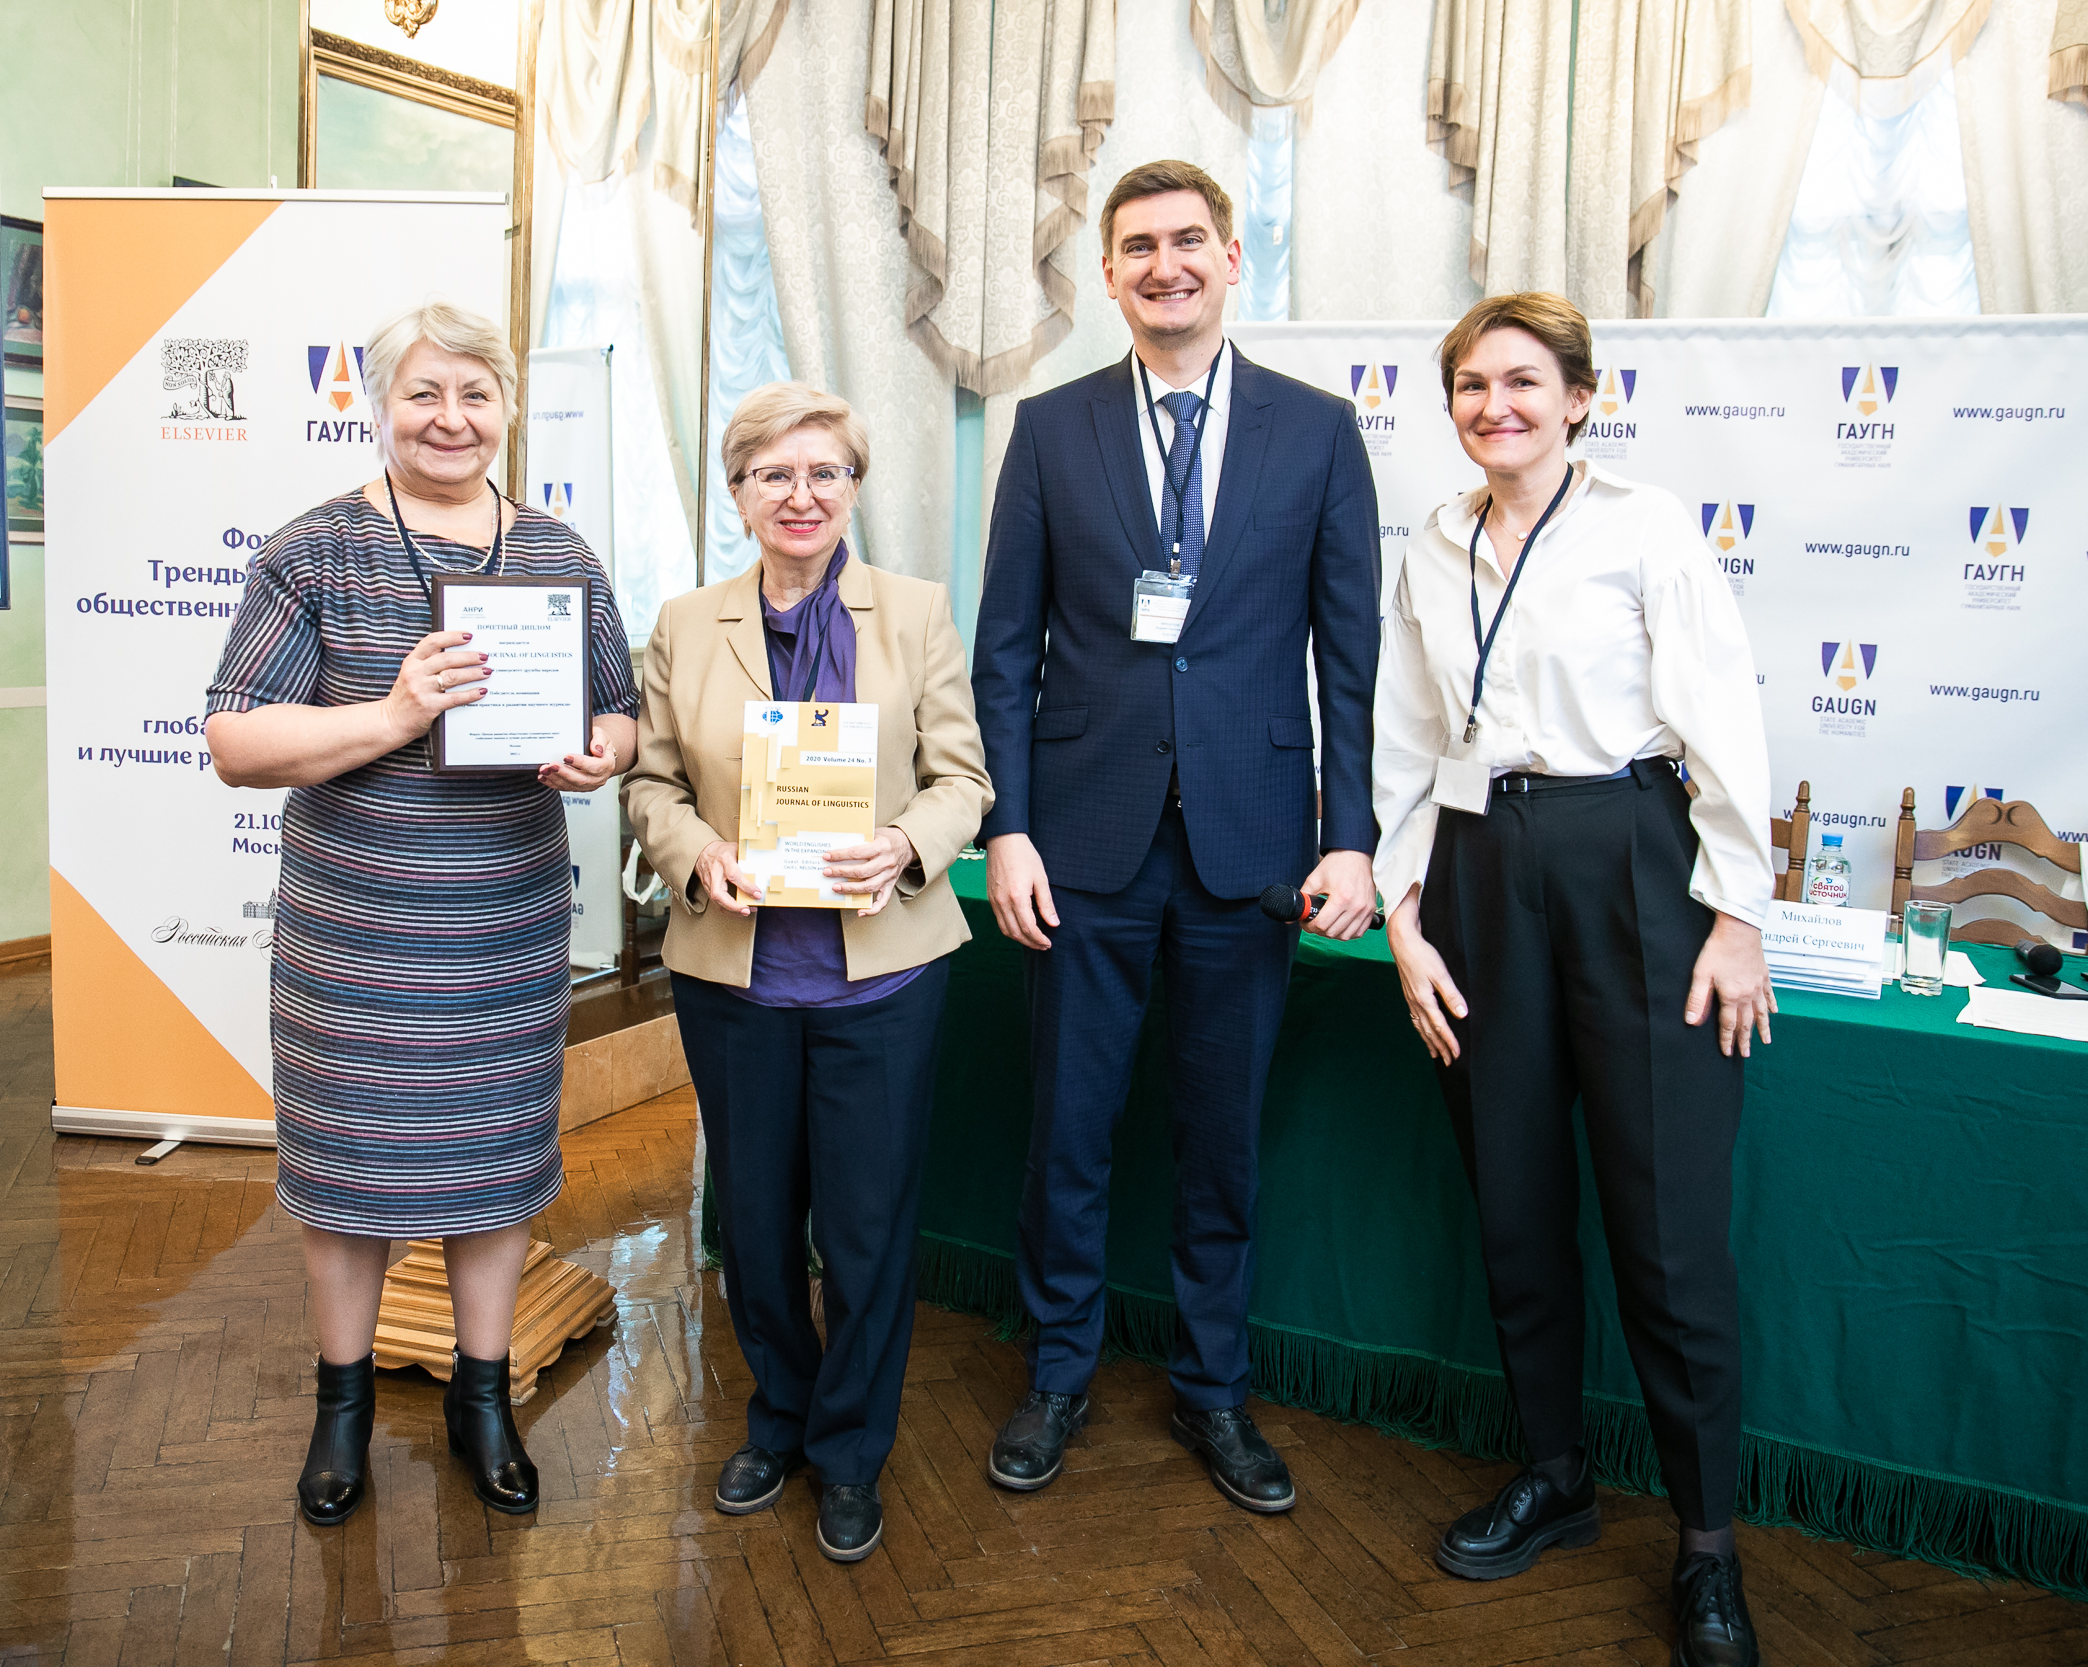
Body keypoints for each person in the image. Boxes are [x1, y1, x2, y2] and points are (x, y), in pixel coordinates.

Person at [969, 159, 1380, 1513]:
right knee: (1067, 1131)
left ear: (1231, 256)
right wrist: (1008, 826)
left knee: (1221, 1138)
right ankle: (1058, 1371)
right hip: (1080, 843)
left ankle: (1214, 1386)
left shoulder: (1318, 431)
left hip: (1249, 849)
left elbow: (1349, 661)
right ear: (1108, 274)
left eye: (1188, 240)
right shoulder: (1051, 427)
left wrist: (1351, 836)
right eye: (1138, 246)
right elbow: (1004, 652)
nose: (1166, 265)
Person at [1373, 291, 1774, 1667]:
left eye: (1523, 381)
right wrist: (1405, 913)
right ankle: (1553, 1473)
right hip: (1479, 867)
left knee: (1667, 1232)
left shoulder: (1644, 527)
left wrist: (1737, 914)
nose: (1495, 405)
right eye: (1471, 385)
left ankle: (1707, 1546)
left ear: (1580, 399)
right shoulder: (1432, 546)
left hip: (1632, 862)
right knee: (1515, 1196)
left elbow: (1722, 718)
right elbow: (1407, 737)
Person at [205, 301, 638, 1529]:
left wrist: (602, 750)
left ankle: (480, 1397)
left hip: (501, 923)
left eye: (475, 394)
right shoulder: (311, 552)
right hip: (354, 934)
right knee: (344, 1176)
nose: (451, 419)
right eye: (424, 394)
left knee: (495, 1169)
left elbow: (623, 709)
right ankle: (340, 1407)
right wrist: (393, 716)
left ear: (508, 409)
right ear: (379, 405)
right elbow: (237, 739)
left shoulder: (557, 552)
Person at [624, 383, 991, 1563]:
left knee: (868, 1231)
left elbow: (963, 779)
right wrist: (696, 851)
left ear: (853, 488)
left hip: (879, 979)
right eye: (774, 473)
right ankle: (778, 1415)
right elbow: (650, 784)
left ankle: (848, 1450)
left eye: (825, 471)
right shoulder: (686, 623)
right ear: (737, 492)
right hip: (736, 980)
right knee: (757, 1226)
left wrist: (908, 842)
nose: (801, 494)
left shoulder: (915, 612)